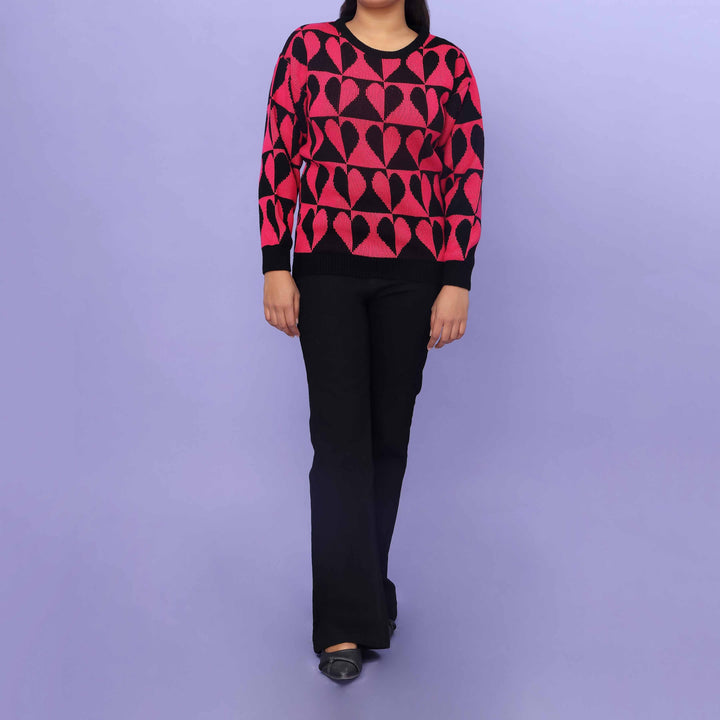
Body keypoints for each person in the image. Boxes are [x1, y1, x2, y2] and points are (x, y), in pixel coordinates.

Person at [258, 0, 484, 681]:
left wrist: (457, 280)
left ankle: (366, 595)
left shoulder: (447, 65)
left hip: (414, 278)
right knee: (339, 445)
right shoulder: (307, 49)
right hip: (325, 273)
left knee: (387, 442)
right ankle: (341, 627)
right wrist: (275, 265)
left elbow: (463, 177)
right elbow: (280, 157)